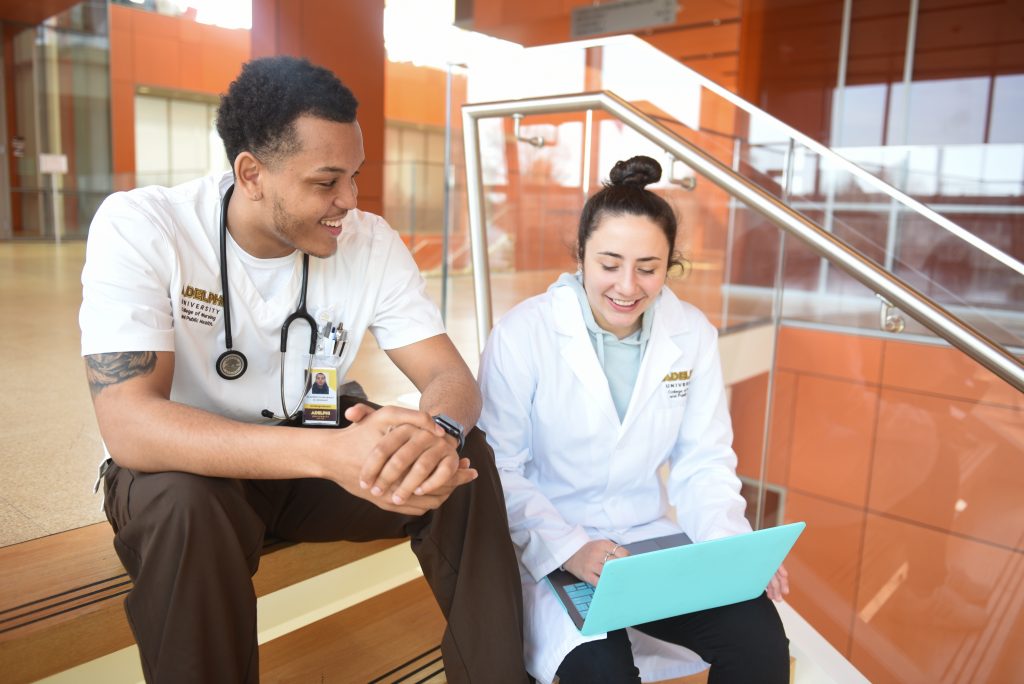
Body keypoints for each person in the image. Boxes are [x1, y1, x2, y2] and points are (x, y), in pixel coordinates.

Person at [80, 56, 527, 684]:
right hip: (188, 473)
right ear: (251, 173)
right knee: (185, 505)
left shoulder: (368, 242)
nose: (349, 200)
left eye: (355, 176)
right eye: (327, 181)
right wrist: (328, 457)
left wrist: (438, 435)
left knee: (457, 459)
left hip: (314, 434)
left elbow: (450, 379)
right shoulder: (144, 227)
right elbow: (130, 425)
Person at [477, 156, 791, 683]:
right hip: (555, 541)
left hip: (646, 542)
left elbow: (704, 461)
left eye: (648, 268)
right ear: (580, 256)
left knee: (759, 637)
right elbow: (500, 466)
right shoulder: (523, 333)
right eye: (609, 264)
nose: (627, 286)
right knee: (601, 671)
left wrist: (731, 553)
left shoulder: (691, 332)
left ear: (670, 265)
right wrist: (571, 547)